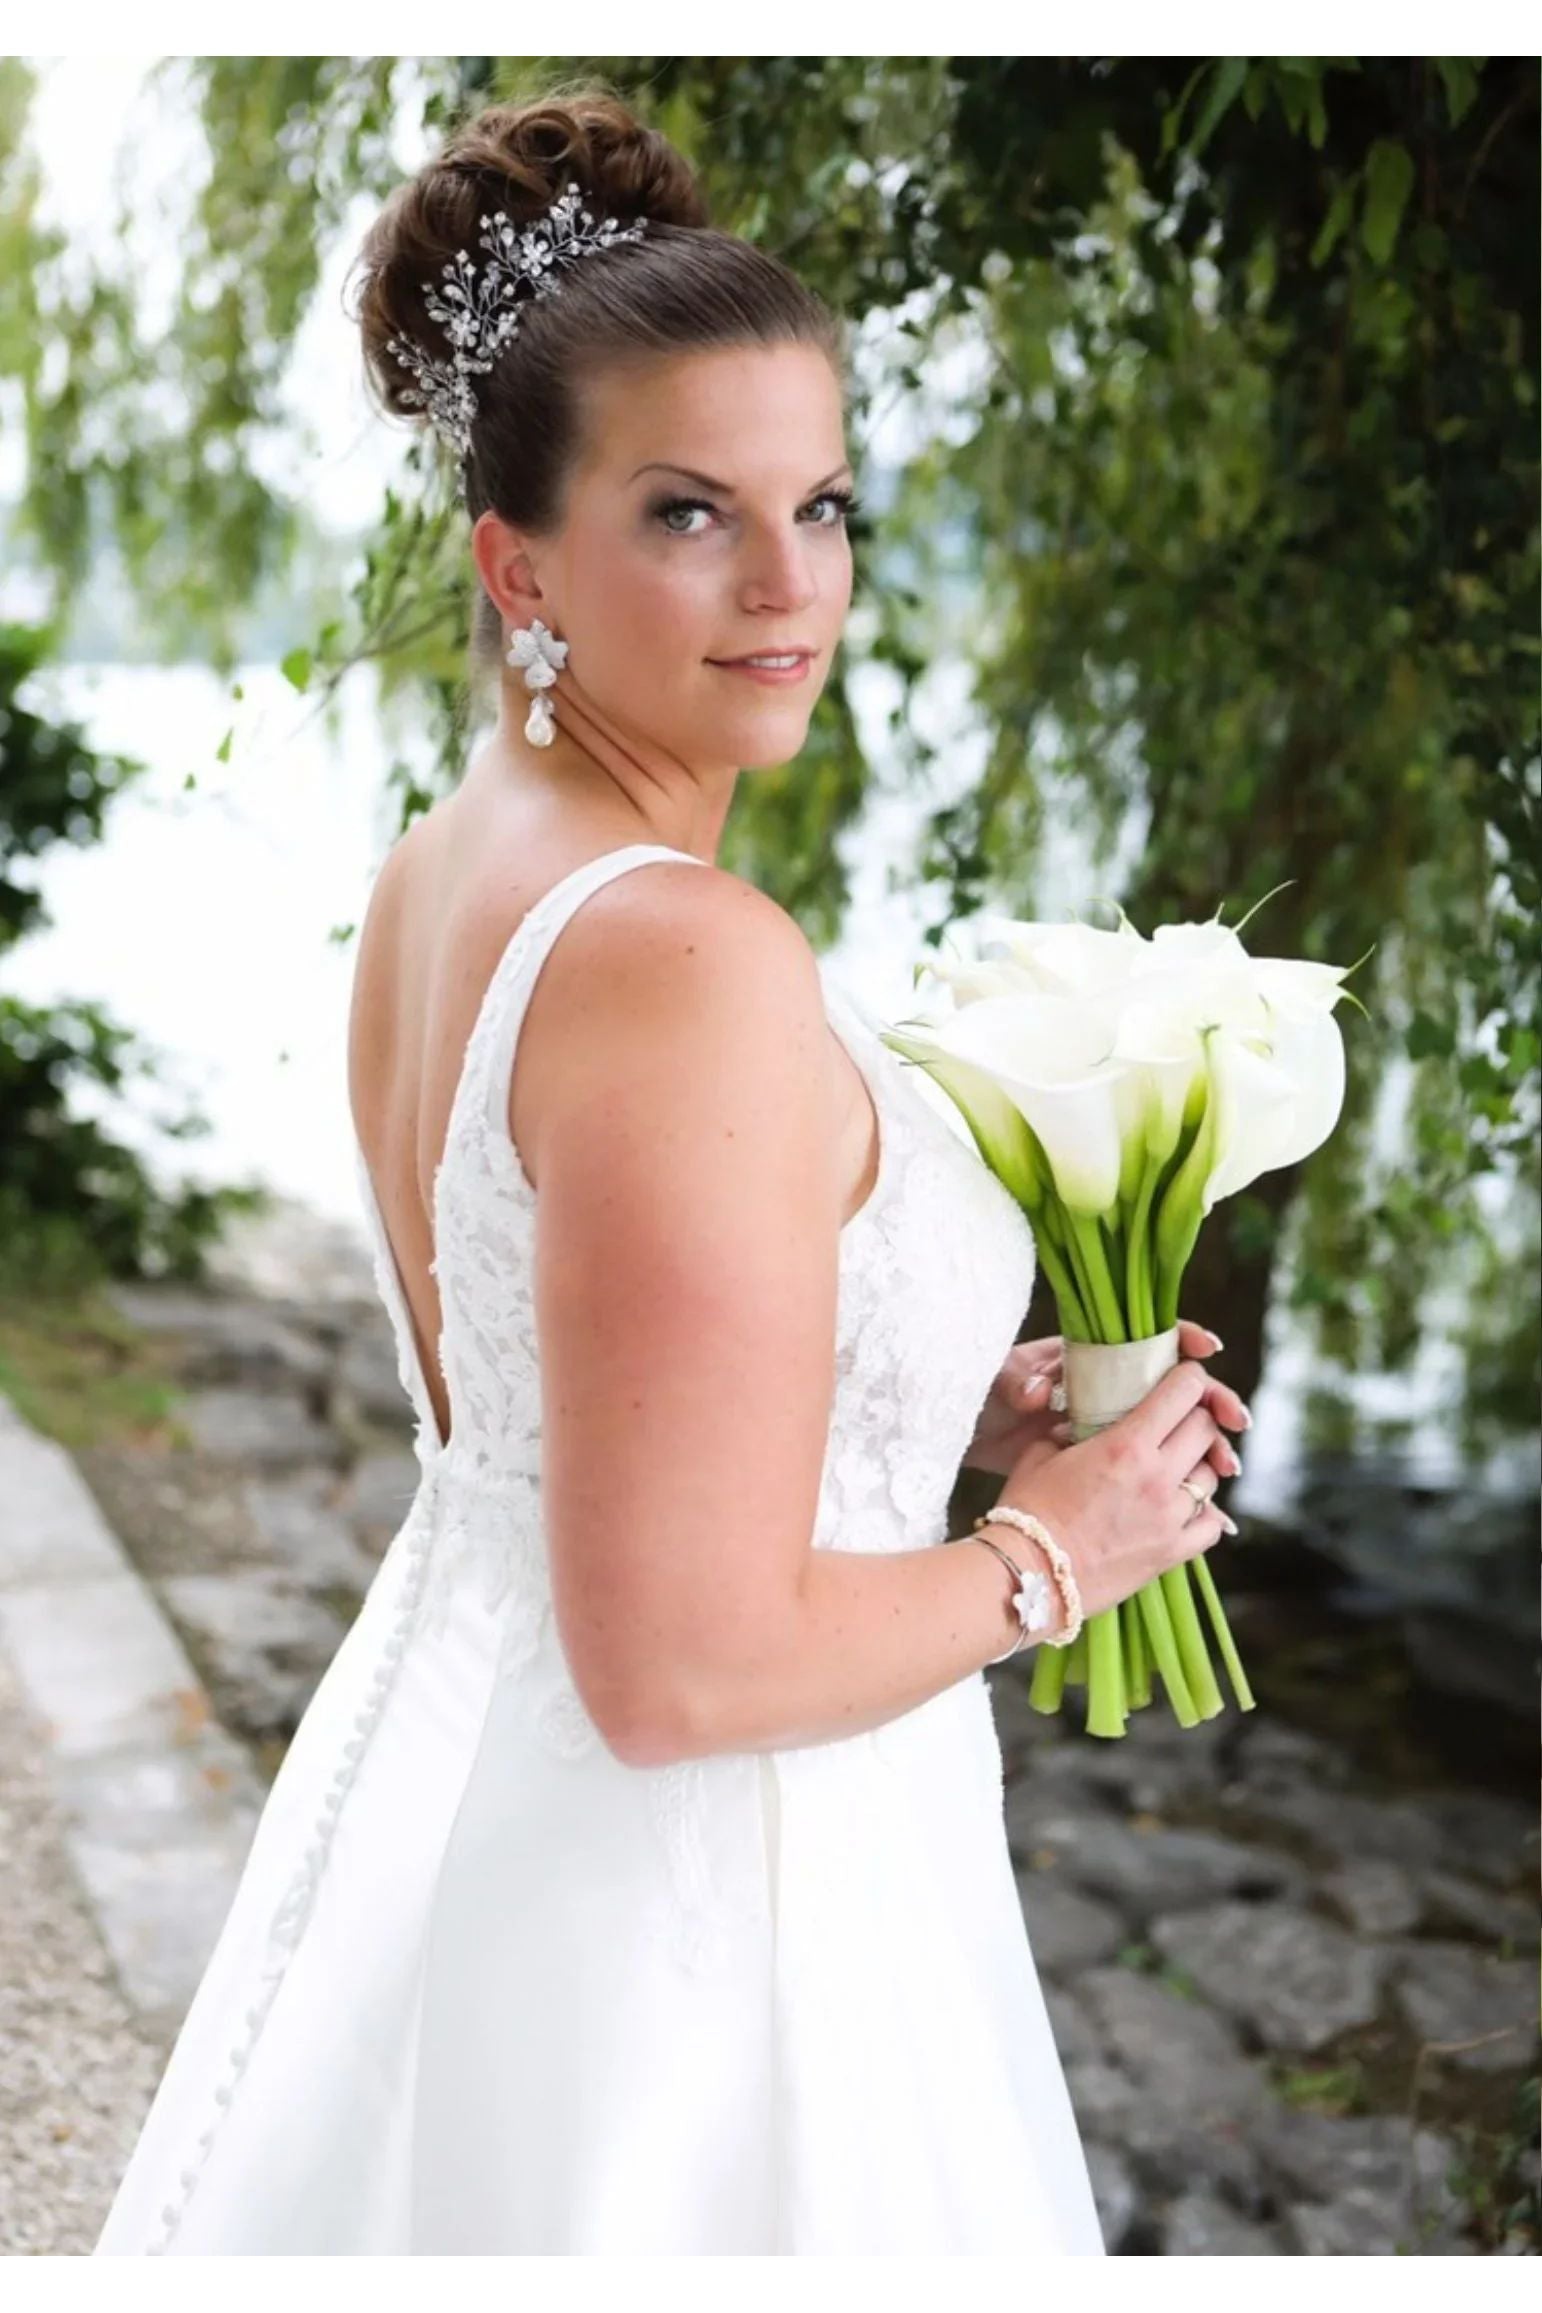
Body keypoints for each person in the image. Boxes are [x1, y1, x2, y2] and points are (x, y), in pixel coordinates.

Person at [94, 83, 1245, 2256]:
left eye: (825, 506)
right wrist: (1054, 1552)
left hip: (464, 1791)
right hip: (713, 1925)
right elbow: (679, 1666)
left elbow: (577, 1391)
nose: (789, 584)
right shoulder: (686, 952)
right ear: (515, 561)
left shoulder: (445, 882)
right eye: (691, 514)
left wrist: (910, 1411)